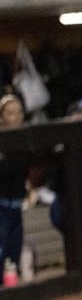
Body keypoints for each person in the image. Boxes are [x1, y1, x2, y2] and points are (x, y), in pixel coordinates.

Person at [0, 93, 29, 282]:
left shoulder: (26, 142)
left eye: (19, 112)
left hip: (16, 209)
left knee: (13, 258)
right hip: (1, 209)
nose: (16, 117)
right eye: (11, 113)